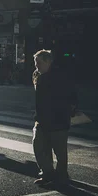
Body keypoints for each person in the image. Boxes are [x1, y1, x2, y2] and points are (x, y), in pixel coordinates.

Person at [32, 49, 77, 185]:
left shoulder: (60, 76)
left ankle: (61, 176)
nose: (36, 66)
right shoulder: (38, 75)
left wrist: (69, 110)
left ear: (48, 61)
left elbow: (72, 94)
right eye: (35, 63)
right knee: (39, 146)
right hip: (42, 119)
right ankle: (48, 173)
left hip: (58, 119)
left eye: (38, 63)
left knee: (59, 151)